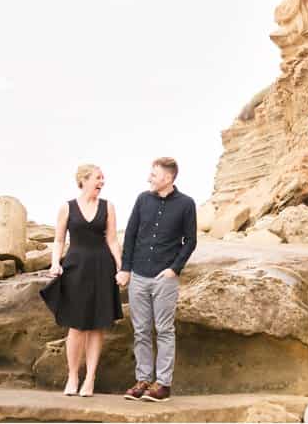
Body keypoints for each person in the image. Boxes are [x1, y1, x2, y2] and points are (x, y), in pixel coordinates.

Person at [117, 157, 197, 403]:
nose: (149, 178)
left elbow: (190, 241)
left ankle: (162, 385)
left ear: (168, 178)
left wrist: (174, 269)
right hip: (139, 275)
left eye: (153, 174)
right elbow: (130, 235)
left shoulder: (186, 204)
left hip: (165, 278)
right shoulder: (143, 199)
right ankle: (142, 381)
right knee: (141, 331)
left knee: (164, 330)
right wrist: (126, 269)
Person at [40, 164, 124, 397]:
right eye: (98, 178)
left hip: (102, 268)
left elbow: (113, 240)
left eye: (103, 178)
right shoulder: (67, 207)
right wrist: (55, 263)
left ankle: (90, 378)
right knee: (76, 326)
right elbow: (58, 240)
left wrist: (121, 266)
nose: (102, 181)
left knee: (97, 326)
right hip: (75, 267)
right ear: (84, 180)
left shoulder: (109, 206)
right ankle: (73, 376)